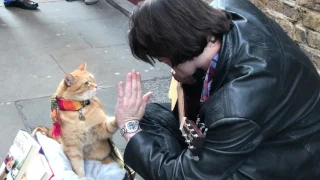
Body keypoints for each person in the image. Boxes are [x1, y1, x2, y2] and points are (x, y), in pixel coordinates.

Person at [114, 0, 320, 179]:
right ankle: (185, 163)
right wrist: (190, 76)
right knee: (148, 117)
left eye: (163, 59)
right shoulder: (226, 8)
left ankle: (185, 166)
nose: (166, 66)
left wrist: (129, 127)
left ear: (173, 49)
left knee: (150, 139)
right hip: (263, 124)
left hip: (288, 156)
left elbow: (232, 111)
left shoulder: (236, 103)